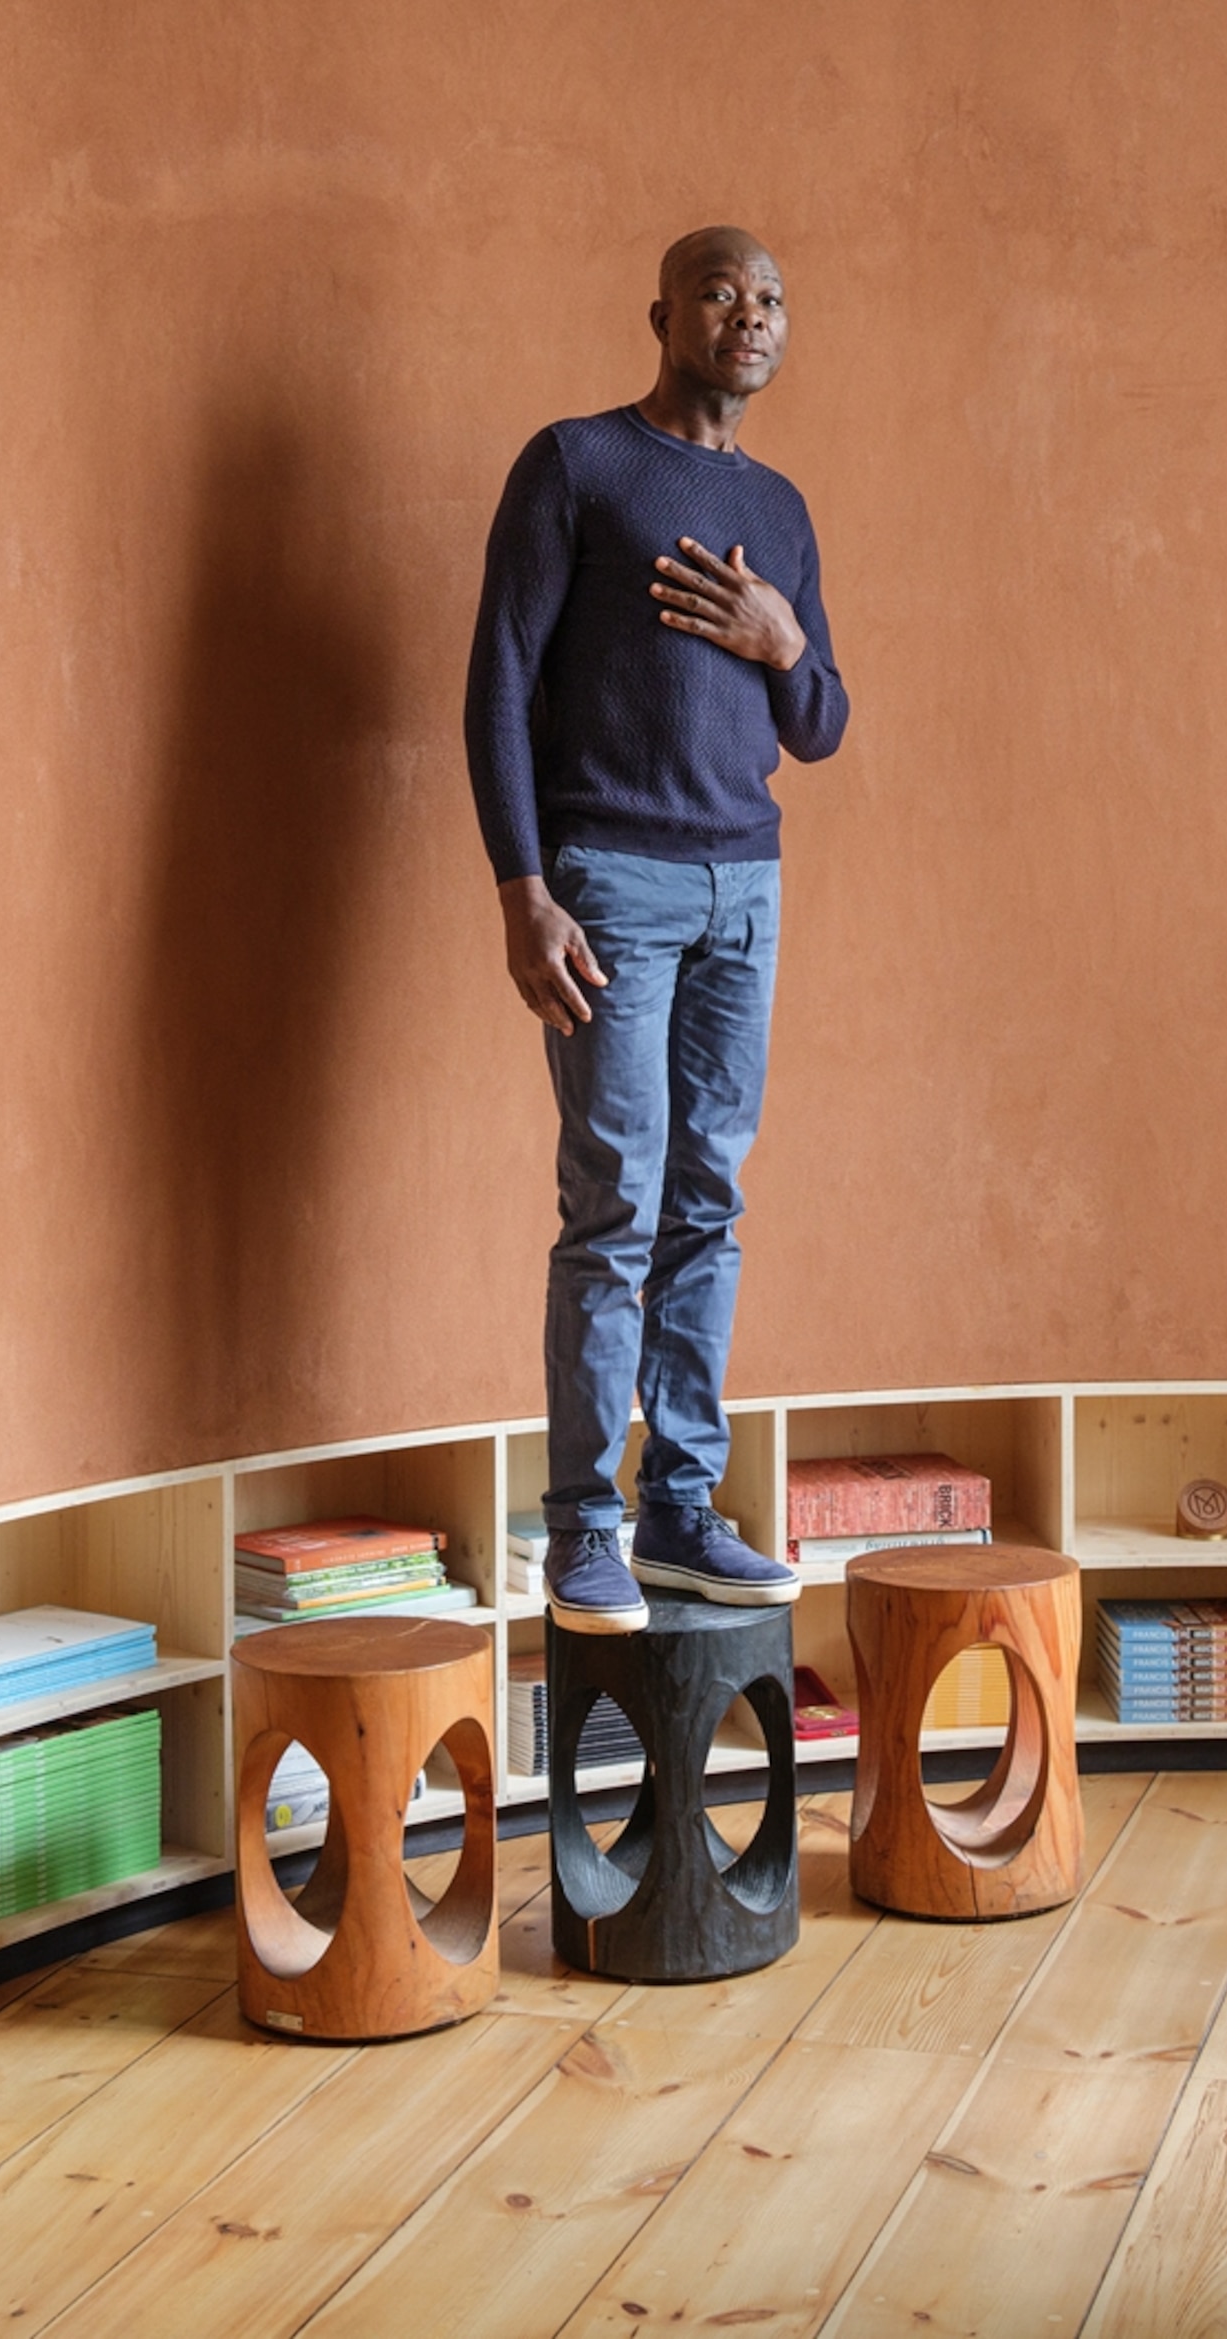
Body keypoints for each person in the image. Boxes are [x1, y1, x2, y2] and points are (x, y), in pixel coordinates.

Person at [464, 225, 849, 1634]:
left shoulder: (786, 508)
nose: (750, 315)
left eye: (772, 298)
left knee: (711, 1204)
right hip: (609, 879)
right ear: (662, 315)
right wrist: (524, 888)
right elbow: (498, 683)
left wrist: (780, 640)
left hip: (746, 884)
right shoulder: (575, 464)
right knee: (615, 1202)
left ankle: (686, 1510)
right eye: (722, 293)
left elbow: (820, 726)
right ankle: (586, 1532)